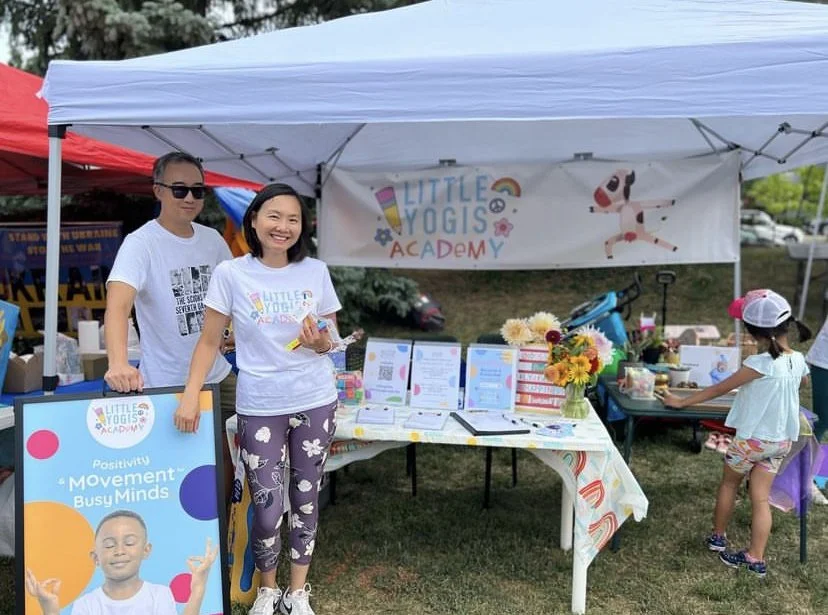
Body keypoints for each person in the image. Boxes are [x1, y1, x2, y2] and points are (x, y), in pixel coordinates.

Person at [173, 183, 340, 615]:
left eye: (292, 219)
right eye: (274, 216)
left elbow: (332, 340)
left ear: (301, 228)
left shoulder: (315, 272)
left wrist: (320, 342)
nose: (282, 226)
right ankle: (268, 589)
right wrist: (191, 395)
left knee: (305, 497)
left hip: (315, 399)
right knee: (266, 504)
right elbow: (210, 342)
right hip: (260, 404)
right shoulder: (232, 274)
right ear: (254, 220)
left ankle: (297, 592)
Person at [103, 152, 237, 496]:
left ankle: (230, 538)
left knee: (236, 455)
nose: (190, 198)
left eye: (198, 190)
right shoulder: (140, 244)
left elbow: (237, 296)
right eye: (179, 190)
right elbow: (117, 307)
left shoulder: (213, 240)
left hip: (218, 373)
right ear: (157, 191)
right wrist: (118, 363)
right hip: (166, 381)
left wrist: (232, 330)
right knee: (175, 469)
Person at [657, 289, 812, 577]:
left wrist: (680, 401)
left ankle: (717, 537)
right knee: (760, 498)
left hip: (751, 441)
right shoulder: (798, 359)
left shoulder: (758, 364)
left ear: (754, 334)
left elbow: (718, 389)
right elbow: (801, 382)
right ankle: (756, 559)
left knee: (729, 484)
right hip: (780, 442)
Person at [25, 509, 218, 615]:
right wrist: (48, 606)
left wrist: (198, 589)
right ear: (95, 558)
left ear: (146, 550)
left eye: (129, 542)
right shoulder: (87, 605)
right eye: (109, 545)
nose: (119, 551)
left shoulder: (159, 595)